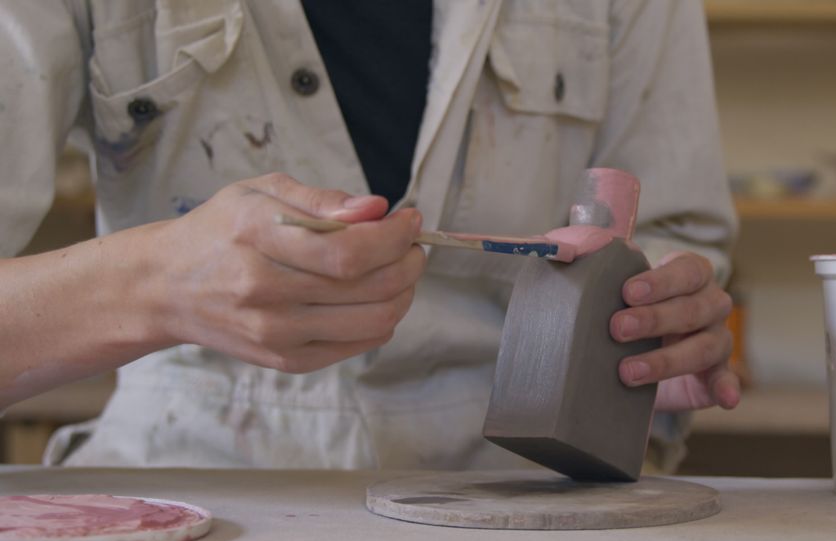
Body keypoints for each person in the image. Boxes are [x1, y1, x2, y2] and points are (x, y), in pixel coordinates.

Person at [0, 0, 739, 471]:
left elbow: (676, 243)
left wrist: (656, 329)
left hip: (522, 493)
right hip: (191, 484)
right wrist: (155, 284)